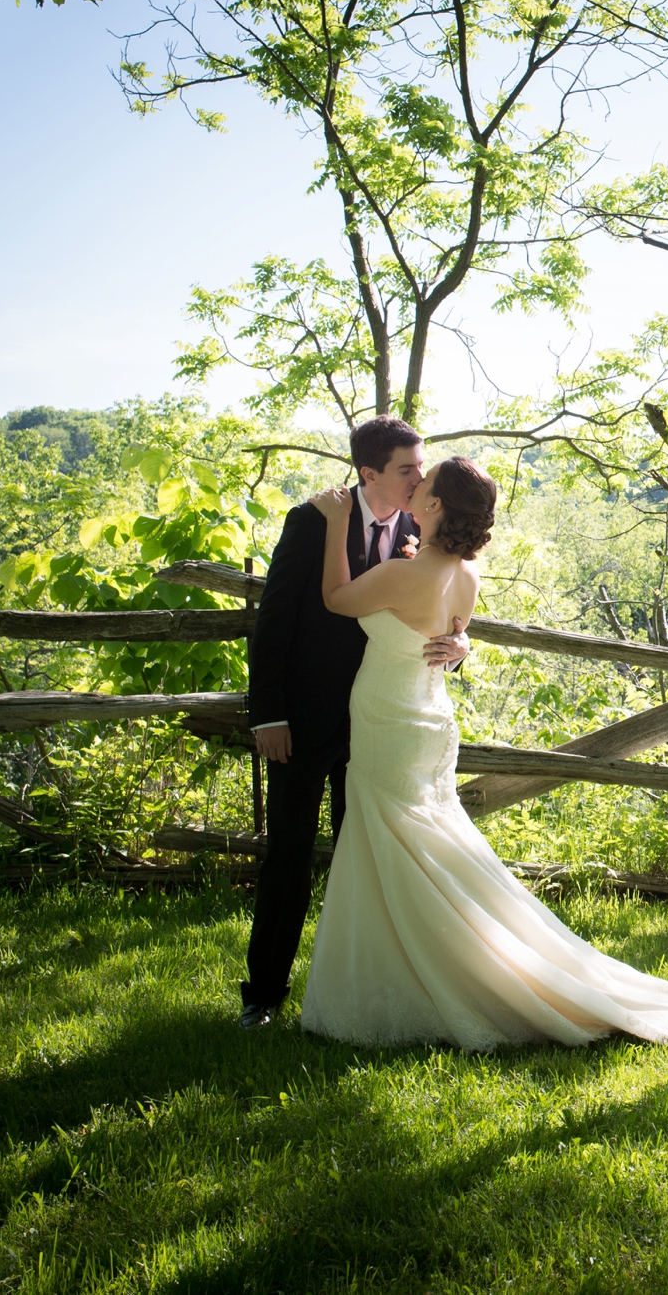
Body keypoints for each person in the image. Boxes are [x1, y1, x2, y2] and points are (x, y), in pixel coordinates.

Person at [297, 455, 668, 1048]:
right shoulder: (465, 574)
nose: (414, 486)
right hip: (428, 719)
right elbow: (447, 634)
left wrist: (330, 523)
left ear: (433, 507)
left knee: (394, 843)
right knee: (426, 843)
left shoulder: (409, 574)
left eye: (422, 484)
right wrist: (460, 642)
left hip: (391, 719)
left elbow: (333, 598)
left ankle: (420, 981)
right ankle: (433, 963)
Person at [239, 416, 469, 1029]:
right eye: (406, 469)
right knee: (288, 854)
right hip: (304, 721)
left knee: (362, 861)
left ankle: (362, 993)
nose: (418, 478)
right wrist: (270, 715)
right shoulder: (313, 521)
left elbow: (440, 611)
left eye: (421, 467)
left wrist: (460, 645)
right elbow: (275, 622)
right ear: (369, 474)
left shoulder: (419, 536)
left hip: (379, 730)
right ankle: (263, 995)